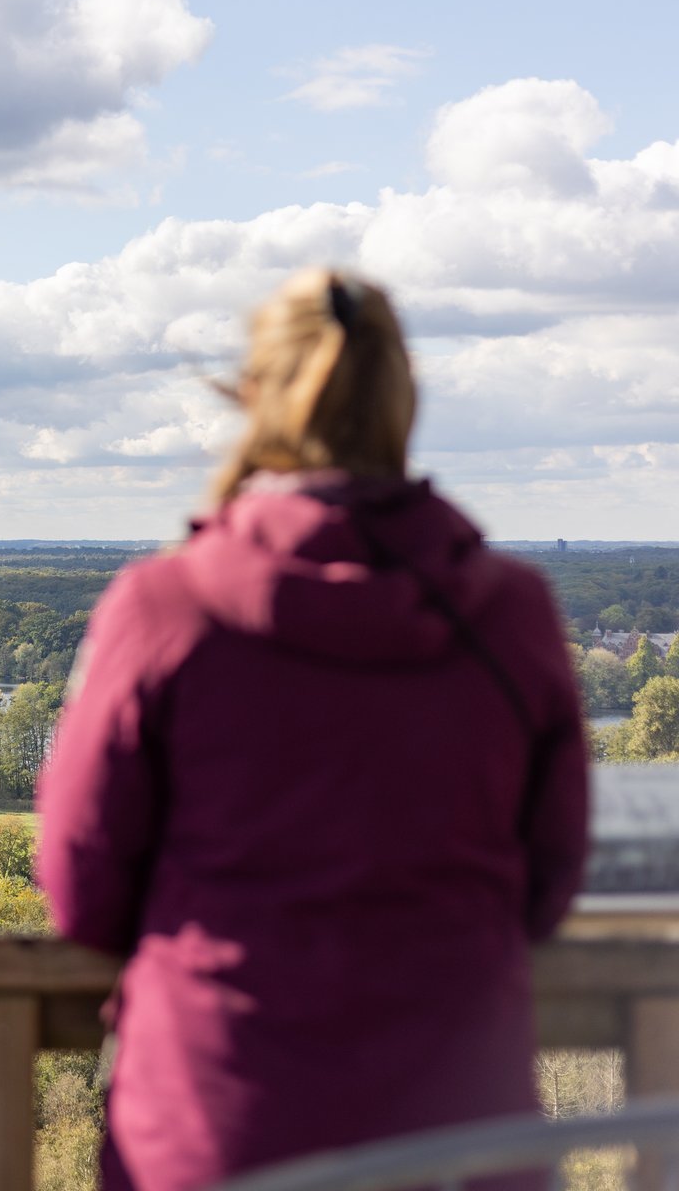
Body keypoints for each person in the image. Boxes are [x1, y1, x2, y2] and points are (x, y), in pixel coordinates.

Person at [36, 268, 588, 1191]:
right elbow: (550, 882)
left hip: (219, 1126)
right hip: (461, 1135)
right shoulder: (509, 614)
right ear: (402, 400)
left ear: (255, 399)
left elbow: (81, 890)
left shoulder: (166, 608)